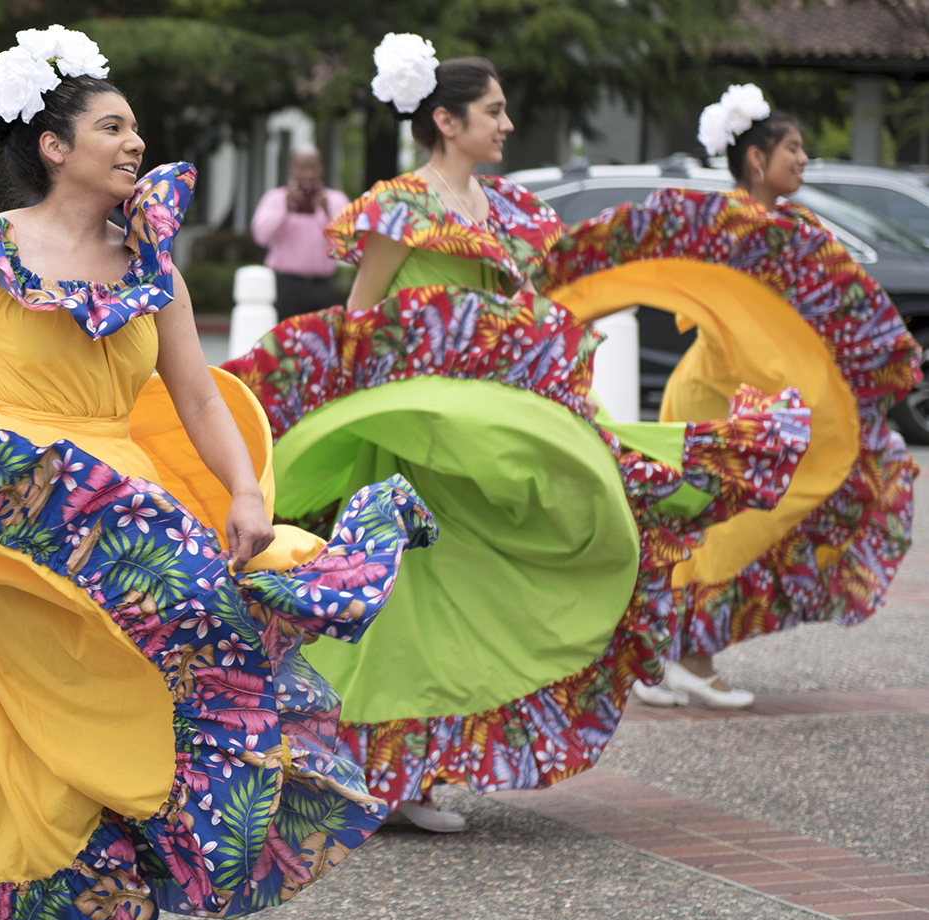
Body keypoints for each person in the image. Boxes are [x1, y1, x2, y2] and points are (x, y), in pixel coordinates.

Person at [0, 27, 435, 920]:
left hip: (115, 520)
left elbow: (196, 397)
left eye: (136, 128)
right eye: (113, 126)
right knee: (33, 717)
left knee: (137, 702)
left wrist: (248, 491)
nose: (136, 143)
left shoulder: (154, 266)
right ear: (55, 147)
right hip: (11, 501)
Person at [223, 38, 810, 832]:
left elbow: (523, 320)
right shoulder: (403, 203)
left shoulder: (499, 209)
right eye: (492, 112)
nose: (505, 124)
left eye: (502, 111)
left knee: (475, 584)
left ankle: (405, 771)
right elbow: (358, 324)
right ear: (445, 119)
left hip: (491, 436)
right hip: (412, 435)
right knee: (411, 599)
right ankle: (389, 775)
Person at [542, 84, 919, 710]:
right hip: (715, 398)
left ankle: (667, 655)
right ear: (755, 160)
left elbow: (836, 310)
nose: (803, 160)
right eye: (793, 148)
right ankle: (685, 655)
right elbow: (665, 269)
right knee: (714, 529)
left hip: (766, 401)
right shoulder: (727, 226)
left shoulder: (797, 226)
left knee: (745, 519)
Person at [251, 146, 350, 320]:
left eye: (312, 167)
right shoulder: (275, 198)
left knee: (323, 342)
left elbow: (349, 241)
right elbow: (261, 237)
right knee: (286, 342)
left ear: (321, 168)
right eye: (302, 167)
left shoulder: (336, 199)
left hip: (323, 284)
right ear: (292, 169)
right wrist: (284, 211)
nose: (308, 174)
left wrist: (328, 212)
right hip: (287, 284)